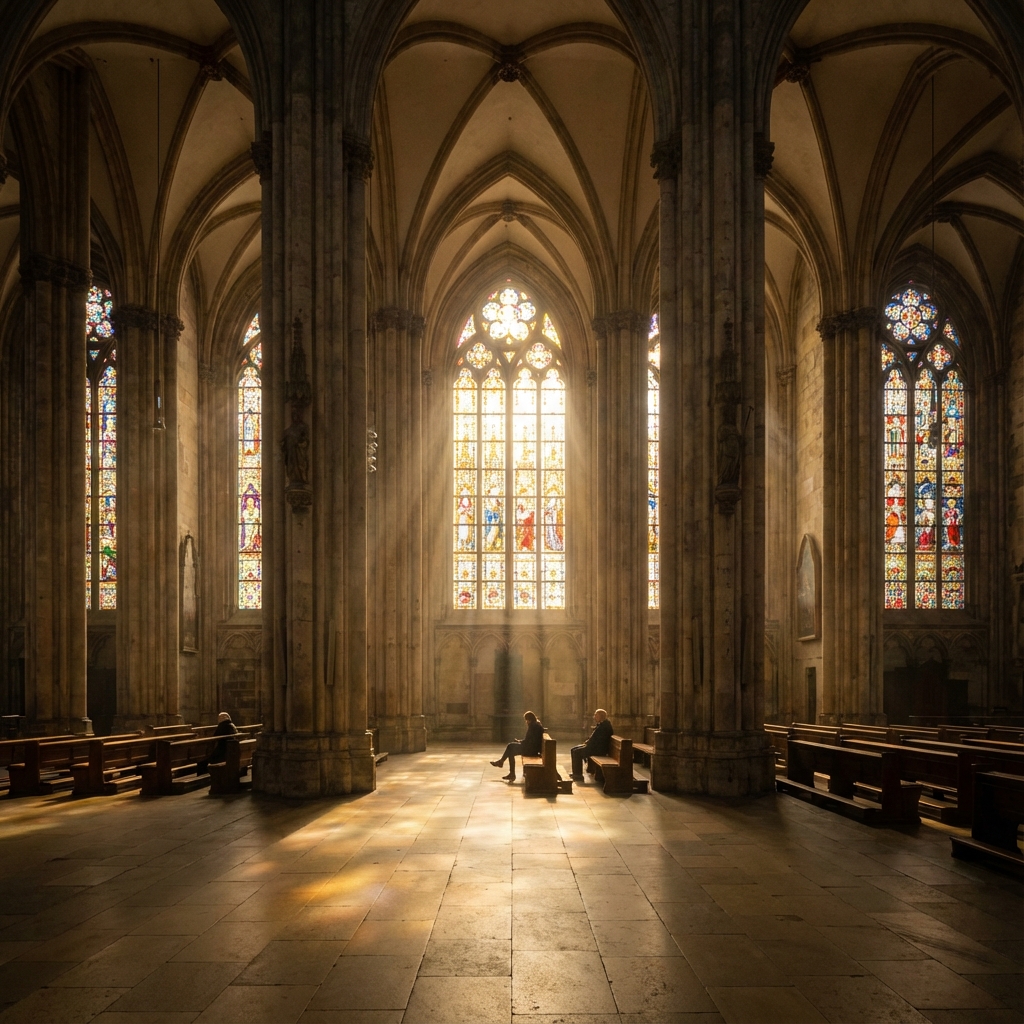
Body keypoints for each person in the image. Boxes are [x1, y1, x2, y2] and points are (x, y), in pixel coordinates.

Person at [490, 711, 544, 782]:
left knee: (510, 746)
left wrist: (520, 742)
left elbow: (529, 741)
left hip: (530, 750)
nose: (526, 722)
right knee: (511, 750)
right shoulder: (536, 725)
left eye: (526, 720)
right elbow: (530, 740)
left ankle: (504, 765)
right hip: (532, 748)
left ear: (529, 719)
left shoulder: (533, 726)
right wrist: (520, 741)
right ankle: (507, 769)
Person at [571, 709, 613, 780]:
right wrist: (588, 742)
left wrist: (588, 744)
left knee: (576, 752)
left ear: (601, 716)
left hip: (598, 750)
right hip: (596, 747)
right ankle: (576, 773)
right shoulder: (603, 724)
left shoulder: (604, 726)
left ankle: (578, 775)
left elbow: (598, 740)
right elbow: (596, 738)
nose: (594, 717)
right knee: (573, 749)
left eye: (596, 715)